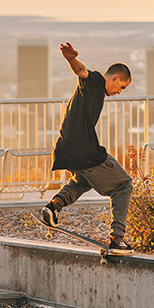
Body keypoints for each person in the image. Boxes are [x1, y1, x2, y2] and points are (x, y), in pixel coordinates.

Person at [41, 42, 134, 254]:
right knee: (123, 185)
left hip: (66, 149)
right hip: (85, 151)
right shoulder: (95, 83)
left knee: (83, 181)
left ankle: (54, 206)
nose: (119, 92)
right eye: (121, 87)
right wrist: (71, 59)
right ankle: (117, 238)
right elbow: (82, 72)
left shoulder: (96, 92)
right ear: (116, 78)